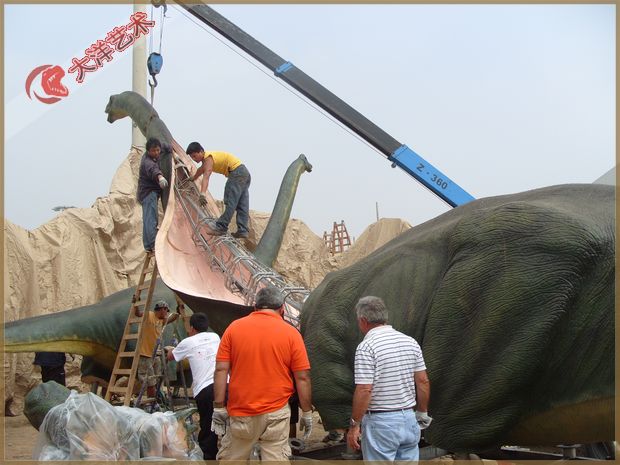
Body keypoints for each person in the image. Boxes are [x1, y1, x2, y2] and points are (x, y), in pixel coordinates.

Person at [211, 286, 313, 461]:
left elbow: (221, 370)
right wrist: (307, 412)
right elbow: (302, 378)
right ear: (282, 309)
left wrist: (219, 407)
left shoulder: (233, 329)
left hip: (241, 412)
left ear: (255, 307)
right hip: (276, 413)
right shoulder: (291, 333)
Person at [346, 296, 432, 461]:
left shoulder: (366, 347)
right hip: (409, 418)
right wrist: (422, 412)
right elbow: (423, 381)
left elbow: (365, 389)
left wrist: (354, 425)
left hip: (381, 423)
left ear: (363, 321)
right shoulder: (410, 342)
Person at [166, 313, 220, 460]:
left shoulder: (187, 342)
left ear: (191, 328)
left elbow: (171, 356)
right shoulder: (215, 337)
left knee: (208, 428)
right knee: (225, 422)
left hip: (205, 389)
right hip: (225, 385)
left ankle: (208, 460)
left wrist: (169, 349)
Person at [185, 141, 251, 239]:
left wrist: (202, 194)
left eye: (195, 156)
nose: (194, 159)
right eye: (192, 158)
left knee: (230, 201)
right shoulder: (207, 160)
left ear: (201, 151)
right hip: (244, 173)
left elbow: (206, 176)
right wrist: (193, 178)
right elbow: (200, 170)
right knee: (242, 204)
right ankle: (243, 230)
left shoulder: (208, 159)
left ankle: (221, 227)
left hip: (236, 173)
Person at [135, 299, 178, 399]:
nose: (166, 314)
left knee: (157, 379)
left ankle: (156, 400)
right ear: (161, 309)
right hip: (145, 354)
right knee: (150, 382)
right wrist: (136, 304)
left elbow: (171, 319)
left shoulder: (161, 321)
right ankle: (151, 403)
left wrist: (178, 312)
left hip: (156, 354)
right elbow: (137, 314)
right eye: (166, 311)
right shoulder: (149, 315)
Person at [137, 137, 169, 252]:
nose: (156, 153)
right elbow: (153, 170)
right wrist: (160, 178)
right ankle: (151, 245)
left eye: (158, 150)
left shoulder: (159, 149)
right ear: (148, 151)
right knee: (151, 219)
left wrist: (172, 151)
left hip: (150, 193)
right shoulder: (147, 162)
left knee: (148, 218)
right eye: (153, 151)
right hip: (148, 193)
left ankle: (148, 245)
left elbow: (166, 146)